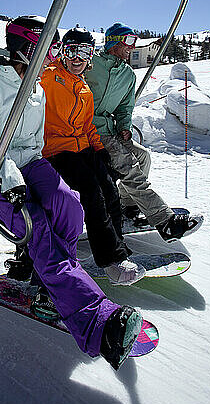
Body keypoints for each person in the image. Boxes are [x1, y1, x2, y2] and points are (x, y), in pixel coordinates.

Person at [0, 15, 144, 370]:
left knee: (71, 206)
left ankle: (50, 279)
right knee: (39, 227)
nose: (51, 56)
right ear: (25, 47)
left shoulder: (36, 88)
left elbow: (31, 145)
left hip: (27, 165)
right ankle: (96, 323)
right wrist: (10, 176)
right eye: (45, 48)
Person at [41, 26, 145, 285]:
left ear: (91, 55)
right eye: (72, 50)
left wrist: (99, 150)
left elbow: (88, 127)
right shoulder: (50, 76)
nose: (77, 58)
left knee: (110, 190)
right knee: (92, 192)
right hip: (57, 150)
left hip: (83, 148)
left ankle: (118, 249)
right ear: (62, 52)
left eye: (84, 51)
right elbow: (29, 76)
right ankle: (110, 259)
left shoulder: (84, 88)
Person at [85, 22, 203, 241]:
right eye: (128, 41)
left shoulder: (128, 75)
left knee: (143, 157)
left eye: (135, 42)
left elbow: (125, 107)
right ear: (113, 41)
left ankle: (127, 207)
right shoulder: (92, 64)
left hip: (109, 129)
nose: (132, 47)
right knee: (128, 165)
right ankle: (163, 220)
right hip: (88, 129)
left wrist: (124, 127)